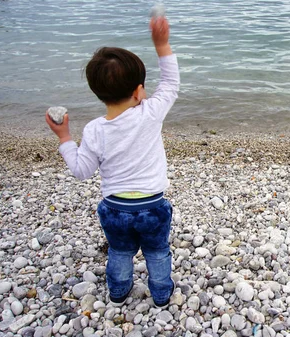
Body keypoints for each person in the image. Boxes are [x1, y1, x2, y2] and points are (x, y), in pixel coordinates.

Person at [45, 15, 179, 307]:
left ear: (98, 93)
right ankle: (160, 295)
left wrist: (65, 137)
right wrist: (162, 44)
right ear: (138, 91)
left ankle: (118, 293)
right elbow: (171, 83)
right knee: (157, 252)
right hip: (152, 207)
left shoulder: (95, 130)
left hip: (114, 208)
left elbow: (81, 171)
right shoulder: (150, 113)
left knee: (119, 252)